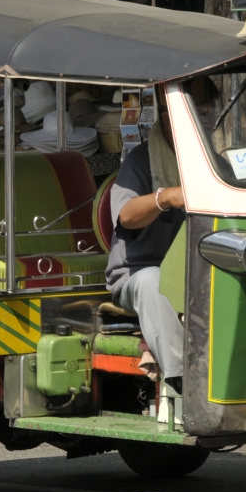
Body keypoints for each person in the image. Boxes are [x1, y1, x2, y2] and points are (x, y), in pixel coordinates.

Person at [105, 88, 186, 393]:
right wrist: (164, 197)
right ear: (166, 118)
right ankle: (182, 379)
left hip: (194, 270)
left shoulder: (209, 160)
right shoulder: (141, 161)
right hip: (138, 273)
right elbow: (126, 215)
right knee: (154, 280)